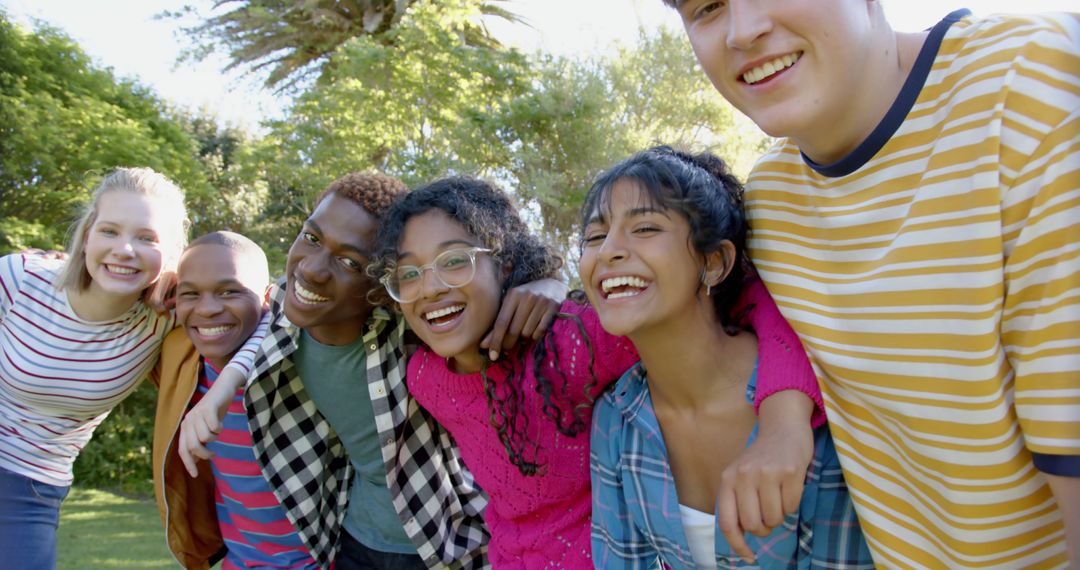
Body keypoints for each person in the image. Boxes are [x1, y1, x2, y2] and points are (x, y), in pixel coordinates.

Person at [663, 1, 1080, 566]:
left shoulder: (1034, 78)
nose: (744, 29)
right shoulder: (771, 197)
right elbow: (742, 314)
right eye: (707, 7)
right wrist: (782, 418)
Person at [367, 176, 822, 568]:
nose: (430, 287)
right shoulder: (425, 379)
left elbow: (740, 295)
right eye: (409, 274)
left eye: (453, 262)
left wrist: (784, 416)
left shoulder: (571, 344)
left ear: (503, 263)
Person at [178, 172, 567, 570]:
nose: (312, 269)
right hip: (352, 538)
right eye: (311, 238)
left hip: (444, 543)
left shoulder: (412, 329)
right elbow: (224, 314)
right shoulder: (281, 309)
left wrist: (548, 281)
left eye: (349, 261)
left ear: (383, 285)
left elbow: (482, 282)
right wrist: (221, 386)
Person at [582, 146, 873, 569]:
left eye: (644, 227)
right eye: (594, 237)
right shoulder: (615, 418)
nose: (608, 250)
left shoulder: (809, 411)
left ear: (715, 263)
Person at [0, 168, 262, 569]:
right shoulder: (20, 279)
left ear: (171, 254)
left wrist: (225, 387)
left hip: (32, 483)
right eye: (109, 231)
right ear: (86, 235)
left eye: (147, 238)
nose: (125, 250)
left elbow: (273, 313)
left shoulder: (165, 320)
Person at [152, 231, 322, 569]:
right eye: (190, 294)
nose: (209, 309)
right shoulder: (179, 360)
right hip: (239, 561)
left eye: (230, 291)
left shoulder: (307, 357)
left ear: (266, 297)